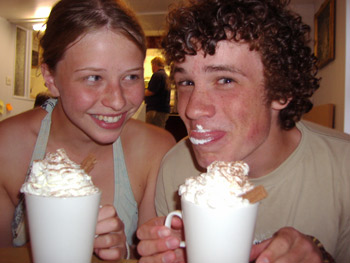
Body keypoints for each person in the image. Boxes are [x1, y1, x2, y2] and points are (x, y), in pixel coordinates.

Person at [136, 0, 350, 262]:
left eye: (225, 80)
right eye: (186, 82)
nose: (192, 109)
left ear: (281, 90)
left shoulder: (344, 169)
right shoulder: (175, 168)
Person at [0, 0, 175, 260]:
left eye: (131, 77)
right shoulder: (8, 146)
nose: (117, 101)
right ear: (51, 78)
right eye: (93, 77)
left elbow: (157, 255)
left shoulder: (156, 150)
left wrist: (127, 252)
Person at [145, 57, 171, 128]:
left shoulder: (157, 75)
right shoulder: (165, 75)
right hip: (163, 109)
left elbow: (151, 91)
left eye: (152, 65)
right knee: (159, 131)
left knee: (151, 132)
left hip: (155, 110)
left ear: (155, 64)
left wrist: (141, 93)